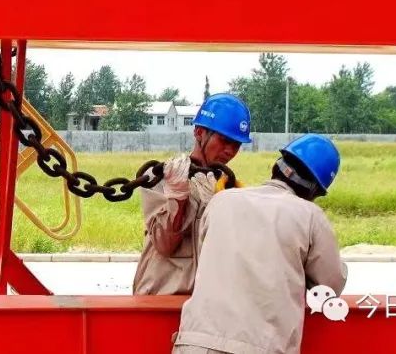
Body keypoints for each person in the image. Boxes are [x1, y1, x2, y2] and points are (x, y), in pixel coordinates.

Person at [172, 134, 348, 354]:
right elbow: (329, 287)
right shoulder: (310, 215)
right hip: (262, 347)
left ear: (277, 166)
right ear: (315, 190)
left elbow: (206, 259)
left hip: (195, 342)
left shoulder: (221, 201)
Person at [133, 93, 252, 295]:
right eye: (224, 140)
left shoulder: (227, 187)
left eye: (236, 145)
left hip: (205, 300)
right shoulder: (162, 178)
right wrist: (178, 198)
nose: (230, 151)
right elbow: (164, 245)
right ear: (199, 132)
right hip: (161, 295)